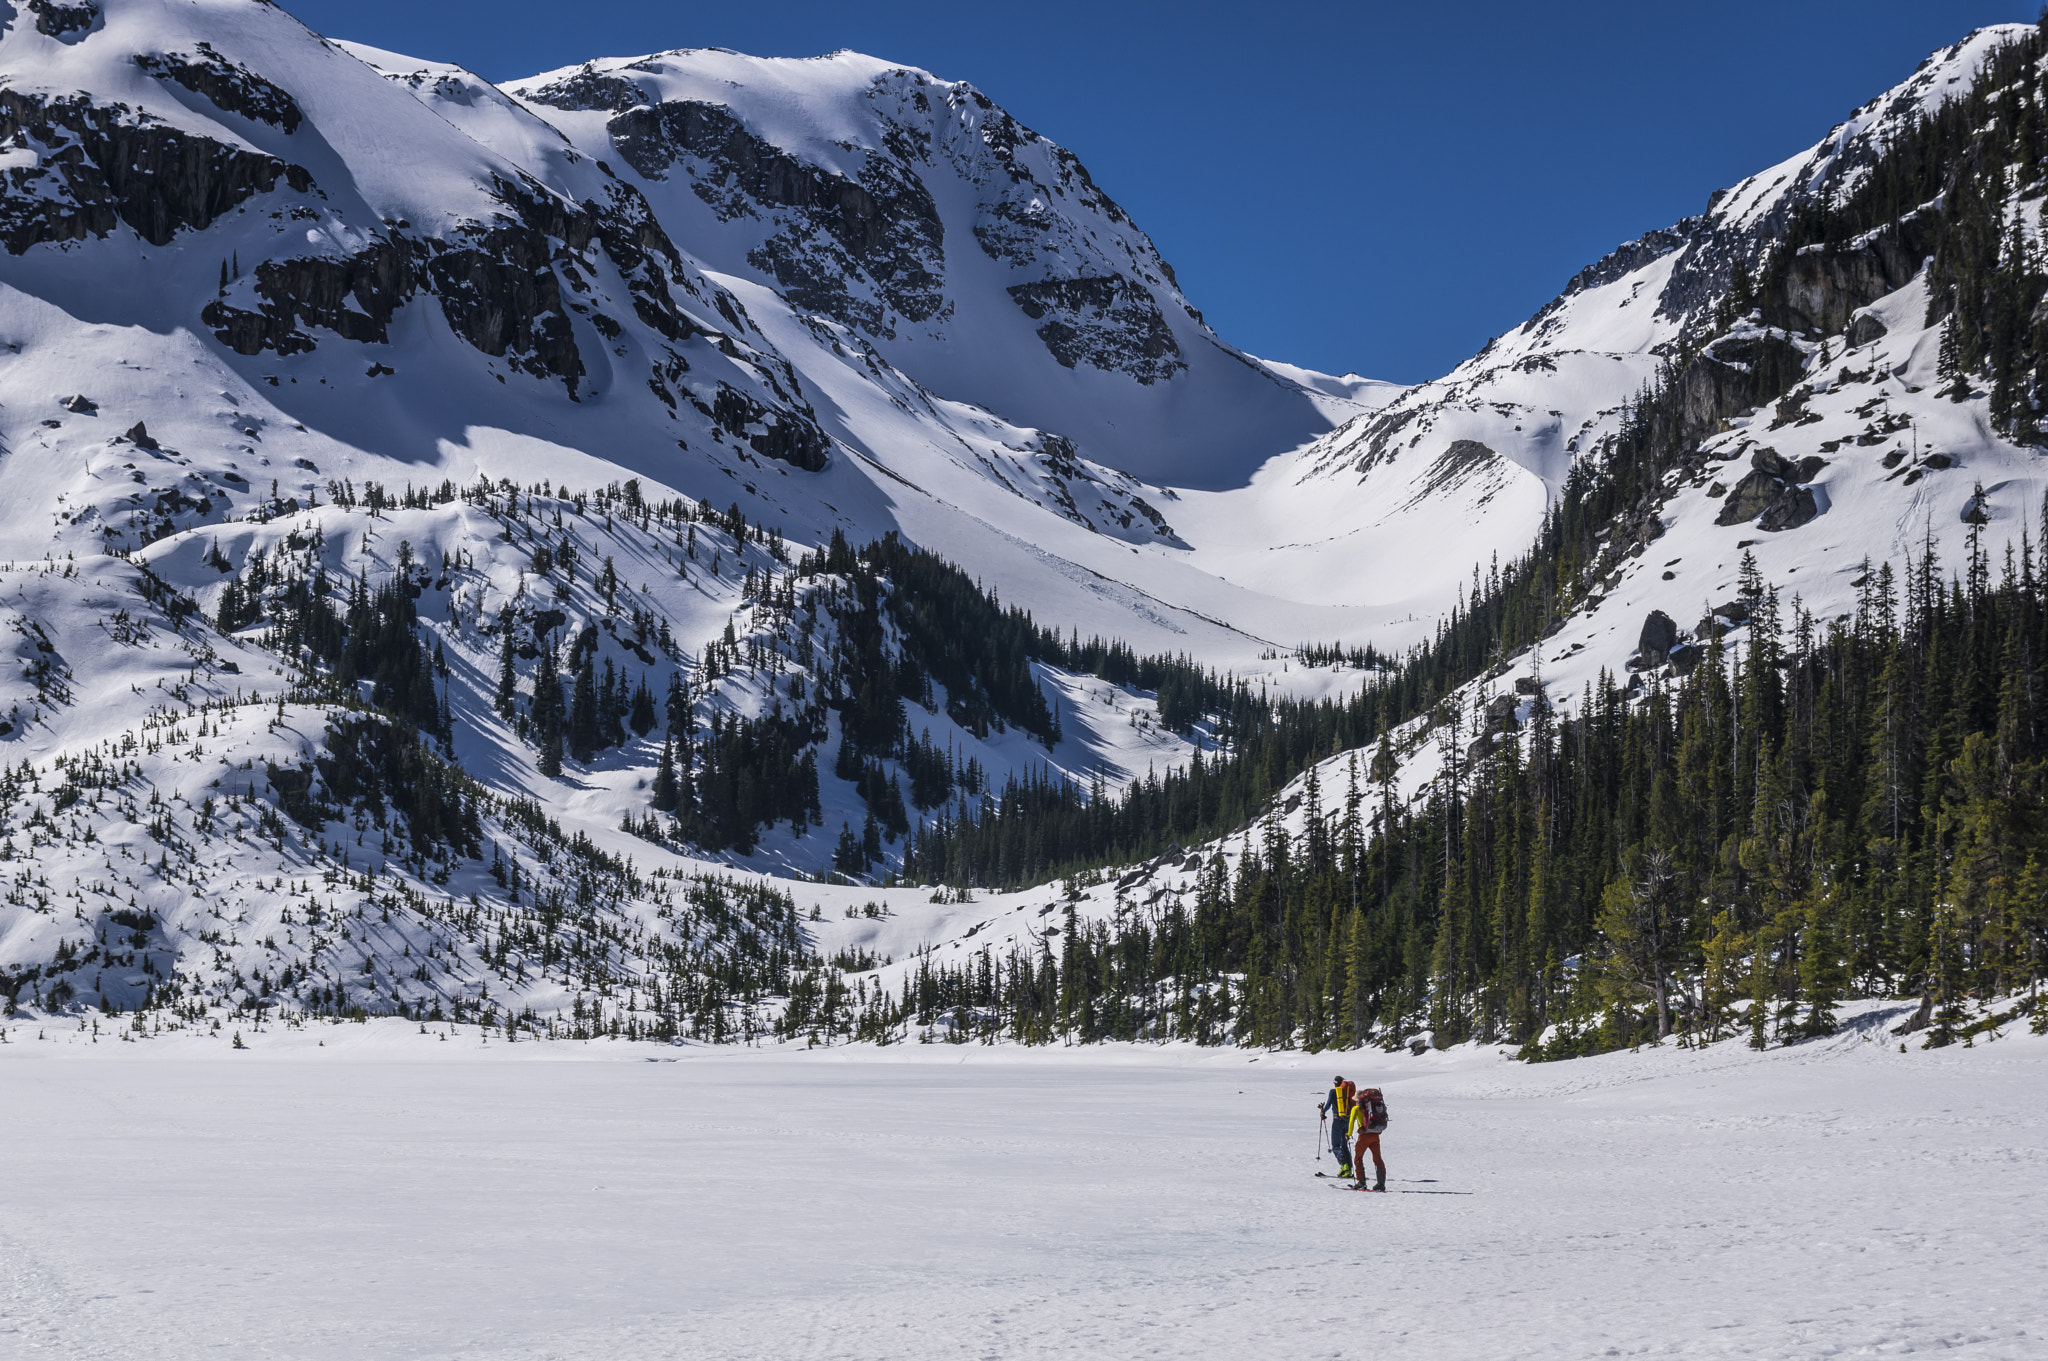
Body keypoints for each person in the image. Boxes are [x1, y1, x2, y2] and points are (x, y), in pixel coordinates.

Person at [1349, 1085, 1388, 1192]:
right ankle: (1381, 1183)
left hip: (1364, 1136)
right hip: (1375, 1134)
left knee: (1358, 1157)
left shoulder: (1356, 1109)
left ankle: (1361, 1181)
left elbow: (1351, 1122)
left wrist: (1348, 1134)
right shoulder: (1371, 1107)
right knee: (1377, 1158)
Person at [1318, 1075, 1351, 1175]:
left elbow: (1328, 1105)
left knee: (1335, 1146)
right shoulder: (1348, 1091)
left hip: (1337, 1121)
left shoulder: (1333, 1092)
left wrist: (1322, 1111)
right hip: (1347, 1120)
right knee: (1344, 1145)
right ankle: (1348, 1169)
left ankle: (1344, 1165)